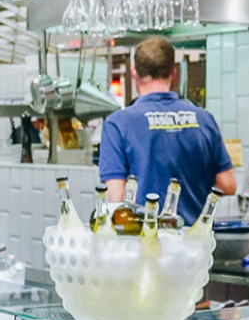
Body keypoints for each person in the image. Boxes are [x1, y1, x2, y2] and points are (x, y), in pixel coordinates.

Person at [99, 37, 236, 224]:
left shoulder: (117, 124)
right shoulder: (204, 119)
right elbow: (228, 184)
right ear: (174, 73)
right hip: (195, 238)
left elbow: (116, 198)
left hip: (144, 239)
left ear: (134, 73)